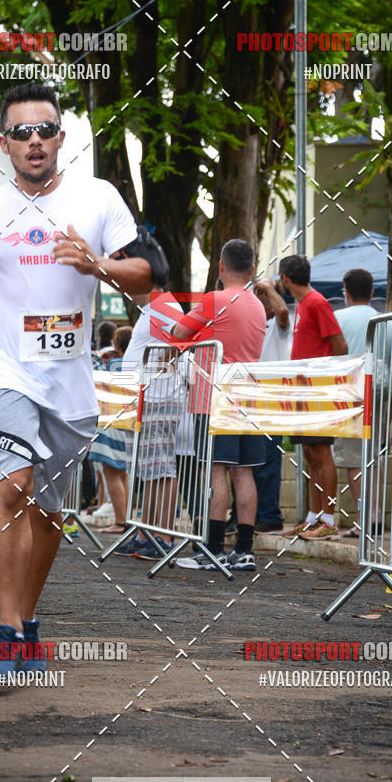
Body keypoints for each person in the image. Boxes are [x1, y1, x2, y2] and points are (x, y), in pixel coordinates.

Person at [0, 82, 153, 682]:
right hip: (4, 368)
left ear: (61, 138)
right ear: (5, 143)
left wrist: (97, 263)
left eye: (44, 129)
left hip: (69, 379)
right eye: (22, 132)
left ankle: (27, 621)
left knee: (48, 511)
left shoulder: (97, 197)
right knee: (12, 486)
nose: (34, 140)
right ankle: (5, 631)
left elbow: (145, 275)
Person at [174, 239, 267, 571]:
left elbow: (178, 331)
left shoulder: (214, 300)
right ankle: (243, 550)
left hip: (214, 396)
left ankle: (211, 549)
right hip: (248, 396)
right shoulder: (257, 304)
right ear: (252, 270)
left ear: (221, 267)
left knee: (215, 471)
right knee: (245, 473)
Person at [278, 255, 348, 541]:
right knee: (309, 453)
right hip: (302, 392)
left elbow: (340, 345)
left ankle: (328, 519)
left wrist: (324, 379)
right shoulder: (305, 304)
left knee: (321, 452)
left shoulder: (317, 302)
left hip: (316, 391)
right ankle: (313, 518)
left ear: (285, 278)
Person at [115, 289, 184, 561]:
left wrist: (161, 370)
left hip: (159, 398)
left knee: (162, 468)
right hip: (147, 399)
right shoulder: (152, 308)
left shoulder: (163, 303)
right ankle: (147, 531)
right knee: (149, 470)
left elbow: (181, 336)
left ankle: (163, 536)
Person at [334, 269, 392, 538]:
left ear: (346, 292)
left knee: (354, 460)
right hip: (381, 390)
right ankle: (375, 517)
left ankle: (365, 521)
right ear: (372, 293)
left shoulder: (338, 317)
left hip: (351, 392)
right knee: (373, 457)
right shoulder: (388, 320)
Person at [252, 277, 293, 534]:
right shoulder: (252, 322)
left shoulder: (280, 324)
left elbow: (283, 311)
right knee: (247, 462)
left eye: (263, 295)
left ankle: (270, 516)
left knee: (268, 460)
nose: (260, 299)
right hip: (249, 396)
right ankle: (250, 514)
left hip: (272, 398)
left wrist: (267, 287)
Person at [88, 326, 133, 535]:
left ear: (117, 345)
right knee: (122, 473)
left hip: (111, 422)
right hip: (128, 423)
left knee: (111, 472)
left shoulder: (114, 365)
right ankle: (125, 518)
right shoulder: (135, 364)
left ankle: (121, 521)